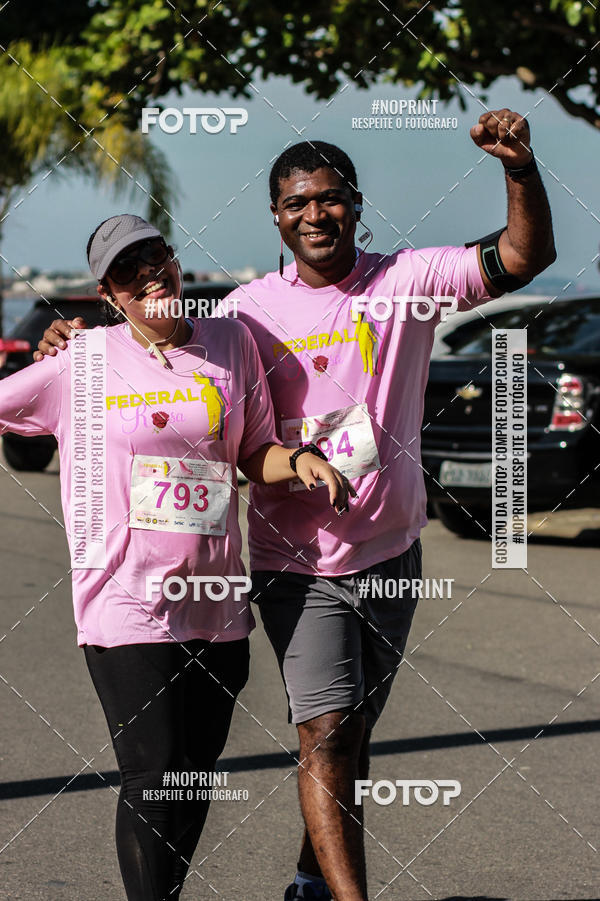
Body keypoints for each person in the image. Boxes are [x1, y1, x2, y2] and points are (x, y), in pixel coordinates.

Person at [35, 110, 556, 901]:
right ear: (276, 218)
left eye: (329, 197)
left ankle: (311, 880)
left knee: (352, 730)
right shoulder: (246, 313)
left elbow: (523, 257)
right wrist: (74, 346)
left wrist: (518, 169)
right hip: (295, 561)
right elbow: (165, 347)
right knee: (328, 728)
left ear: (355, 202)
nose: (315, 213)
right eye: (296, 203)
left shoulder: (407, 282)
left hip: (392, 550)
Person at [6, 213, 353, 901]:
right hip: (125, 600)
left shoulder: (231, 341)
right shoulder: (83, 359)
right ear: (109, 294)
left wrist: (300, 461)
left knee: (192, 776)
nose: (147, 275)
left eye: (153, 256)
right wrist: (42, 353)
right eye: (126, 271)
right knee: (153, 773)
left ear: (174, 260)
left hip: (216, 605)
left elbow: (253, 449)